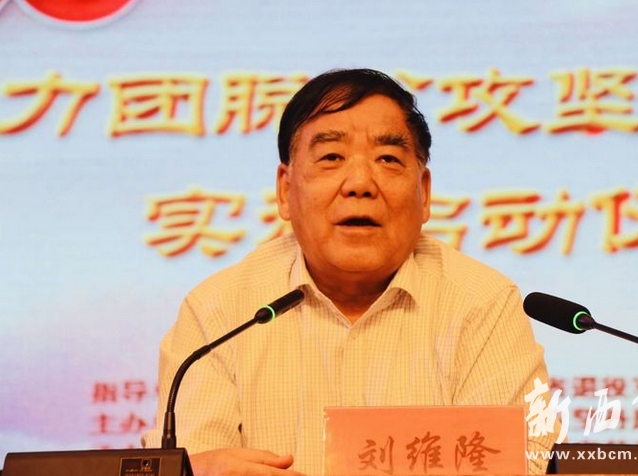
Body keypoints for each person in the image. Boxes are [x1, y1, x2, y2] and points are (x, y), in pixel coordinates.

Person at [143, 68, 559, 475]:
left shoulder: (483, 304)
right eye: (331, 157)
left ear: (424, 192)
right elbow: (199, 460)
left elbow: (522, 462)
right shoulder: (220, 312)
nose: (360, 182)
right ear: (285, 191)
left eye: (388, 159)